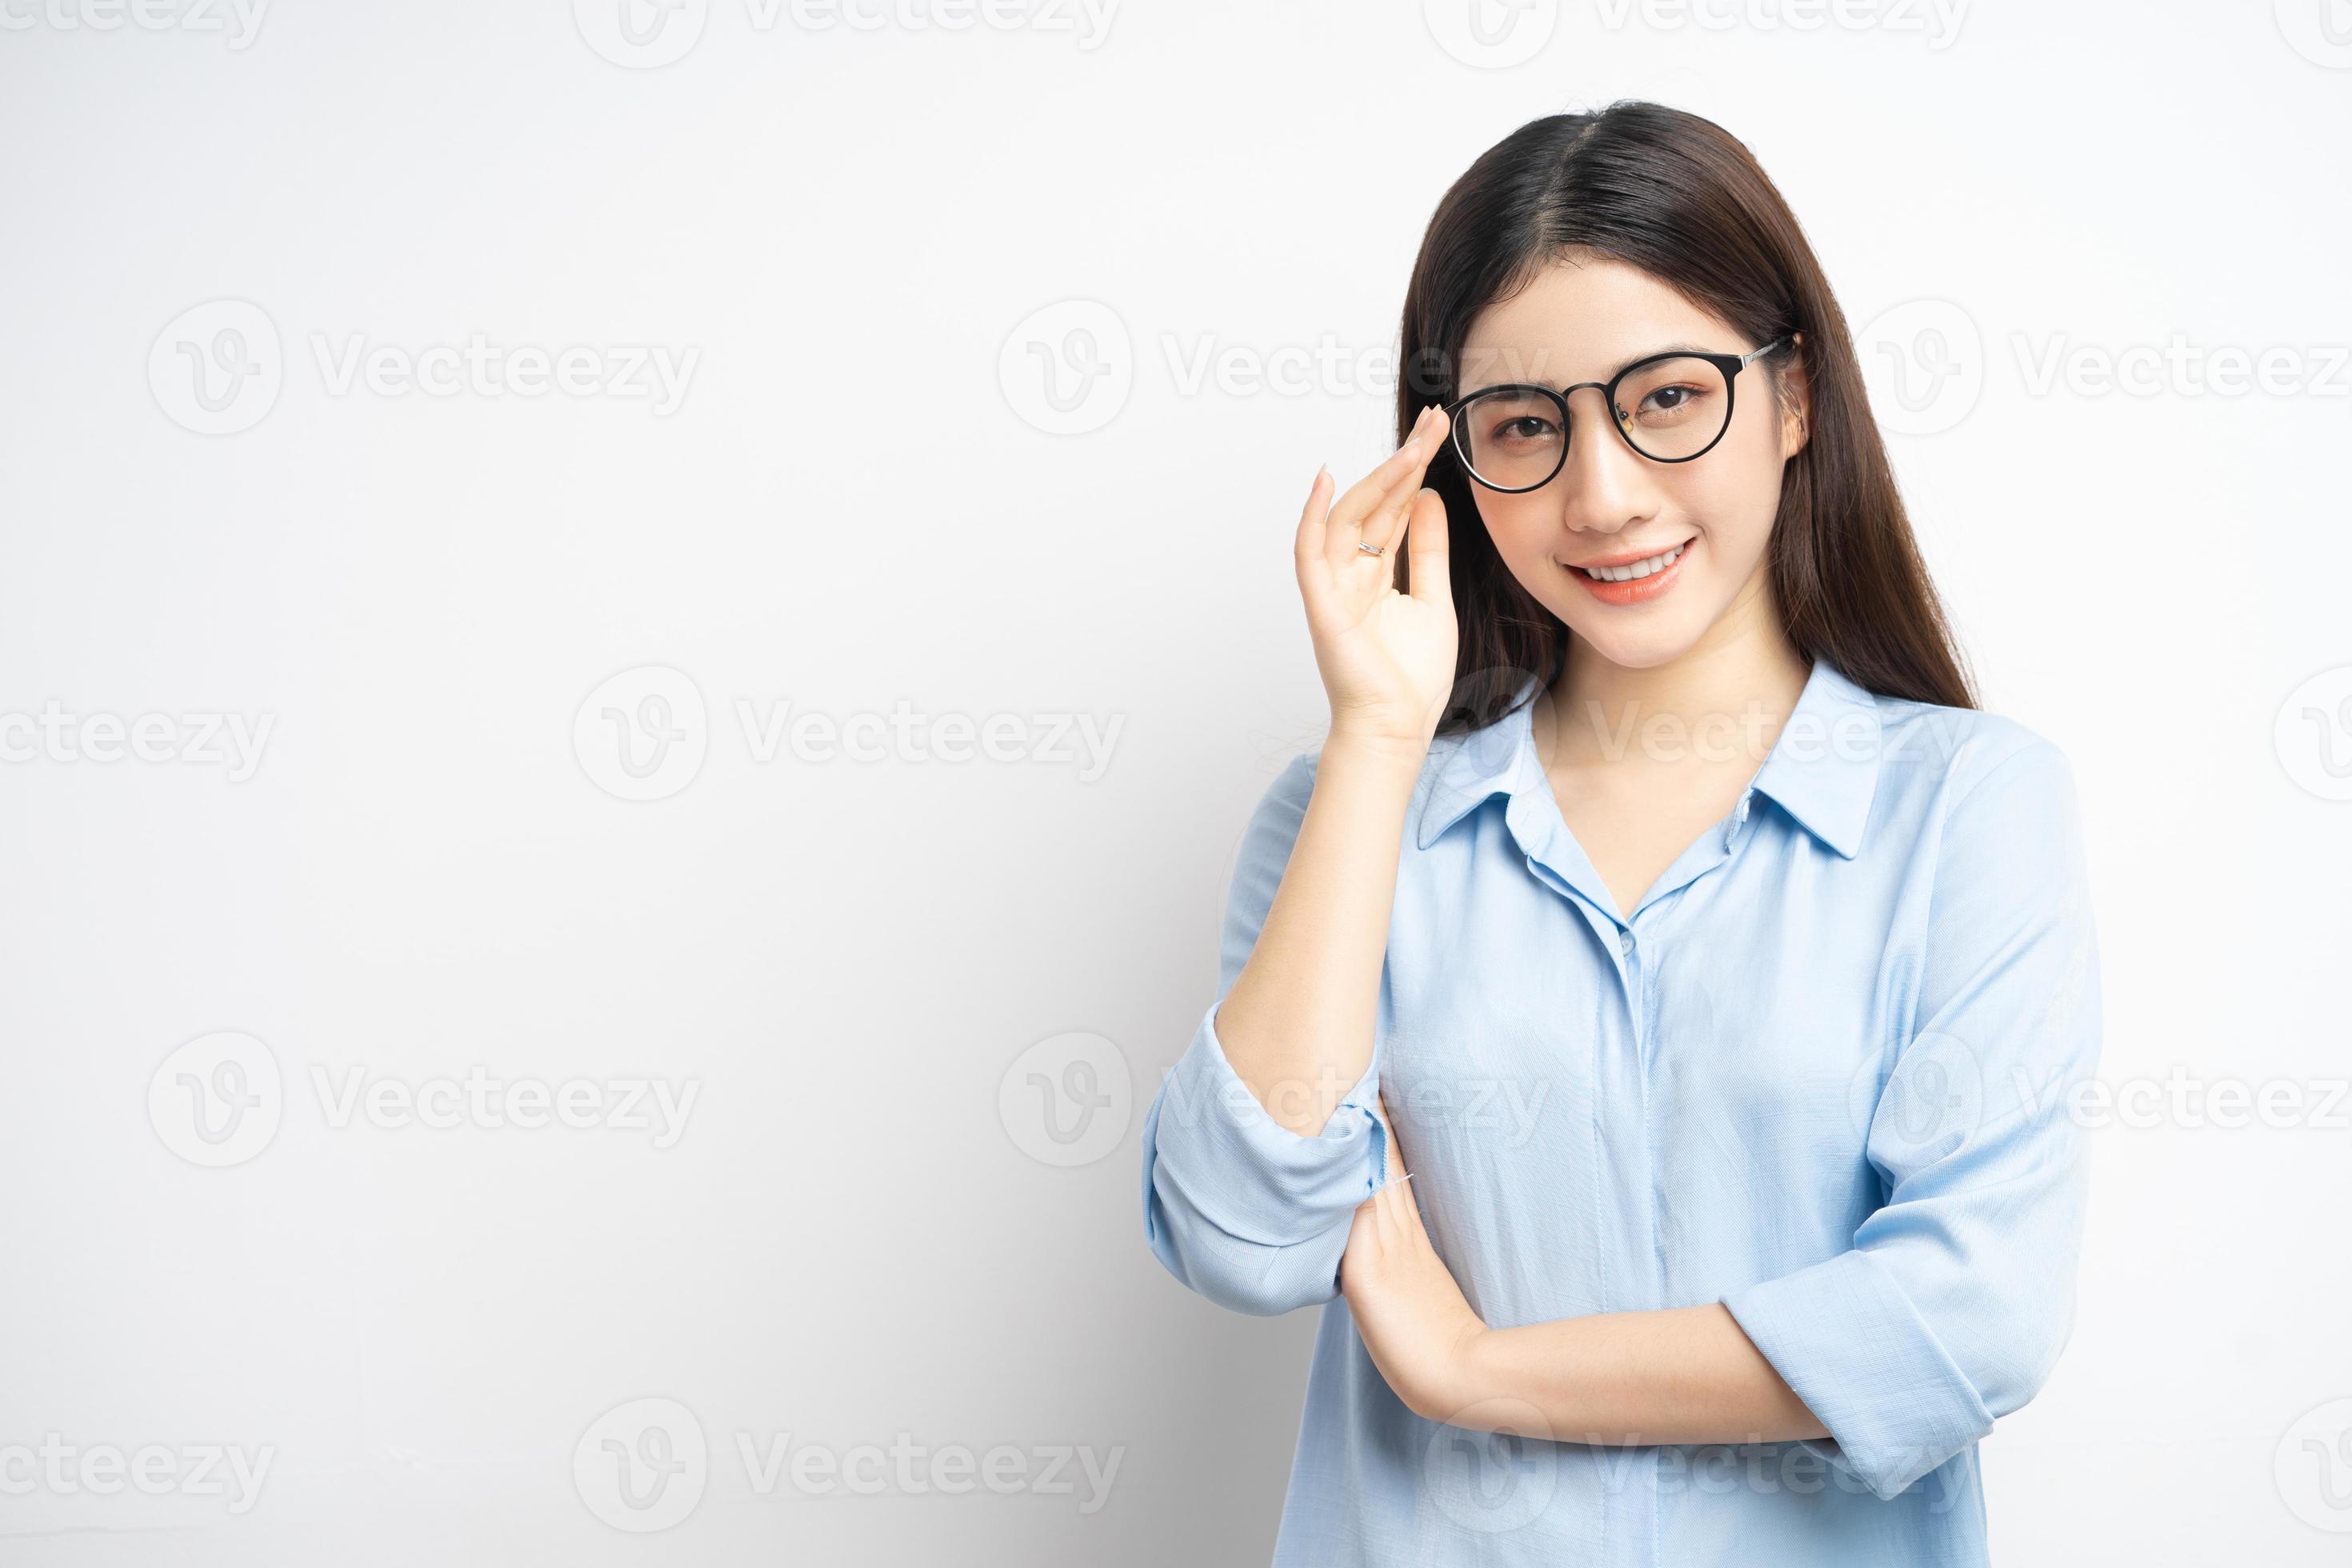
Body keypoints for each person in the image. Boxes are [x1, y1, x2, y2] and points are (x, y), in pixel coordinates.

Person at [1138, 102, 2101, 1565]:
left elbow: (1967, 1318)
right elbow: (1238, 1235)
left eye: (1665, 398)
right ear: (1454, 459)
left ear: (1792, 400)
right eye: (1526, 426)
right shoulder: (1349, 812)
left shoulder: (1969, 808)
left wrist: (1471, 1372)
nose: (1600, 497)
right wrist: (1380, 738)